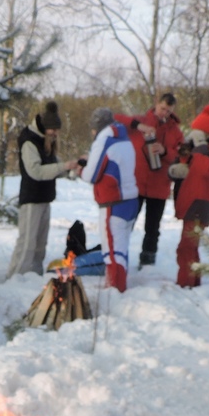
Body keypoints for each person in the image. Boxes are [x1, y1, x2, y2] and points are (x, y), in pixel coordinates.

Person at [6, 101, 80, 278]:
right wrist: (63, 166)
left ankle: (34, 276)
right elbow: (36, 172)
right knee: (27, 243)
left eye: (56, 130)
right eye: (53, 130)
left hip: (45, 198)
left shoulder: (46, 141)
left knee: (40, 244)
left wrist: (72, 169)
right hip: (31, 199)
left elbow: (54, 168)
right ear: (45, 127)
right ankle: (15, 279)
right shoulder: (29, 141)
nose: (55, 134)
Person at [115, 92, 184, 269]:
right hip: (135, 186)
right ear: (156, 105)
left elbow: (183, 156)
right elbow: (115, 118)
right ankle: (117, 258)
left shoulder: (175, 131)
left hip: (159, 187)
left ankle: (147, 264)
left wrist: (165, 151)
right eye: (162, 109)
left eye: (168, 111)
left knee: (152, 229)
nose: (164, 114)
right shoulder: (140, 120)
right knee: (126, 224)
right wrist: (139, 126)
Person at [169, 104, 209, 288]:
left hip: (201, 202)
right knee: (190, 246)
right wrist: (176, 168)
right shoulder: (200, 147)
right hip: (193, 201)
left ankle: (186, 284)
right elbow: (185, 164)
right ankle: (192, 282)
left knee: (186, 246)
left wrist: (201, 147)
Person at [78, 108, 140, 292]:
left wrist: (80, 169)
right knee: (122, 249)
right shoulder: (125, 139)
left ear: (97, 127)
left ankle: (115, 290)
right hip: (130, 200)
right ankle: (120, 285)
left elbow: (91, 175)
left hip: (113, 204)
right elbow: (113, 164)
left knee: (112, 252)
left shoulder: (104, 140)